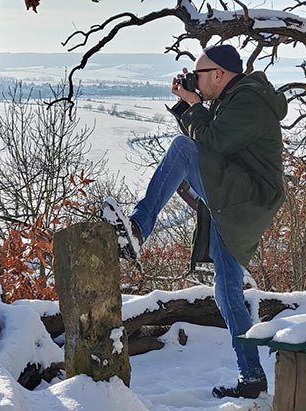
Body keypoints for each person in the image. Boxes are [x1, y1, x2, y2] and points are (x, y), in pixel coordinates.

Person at [102, 44, 287, 399]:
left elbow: (209, 143)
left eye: (200, 74)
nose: (195, 79)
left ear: (219, 74)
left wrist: (194, 105)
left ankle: (139, 229)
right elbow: (209, 141)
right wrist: (188, 105)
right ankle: (252, 378)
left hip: (245, 198)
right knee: (228, 292)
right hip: (235, 197)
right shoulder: (232, 99)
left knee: (182, 150)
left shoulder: (249, 100)